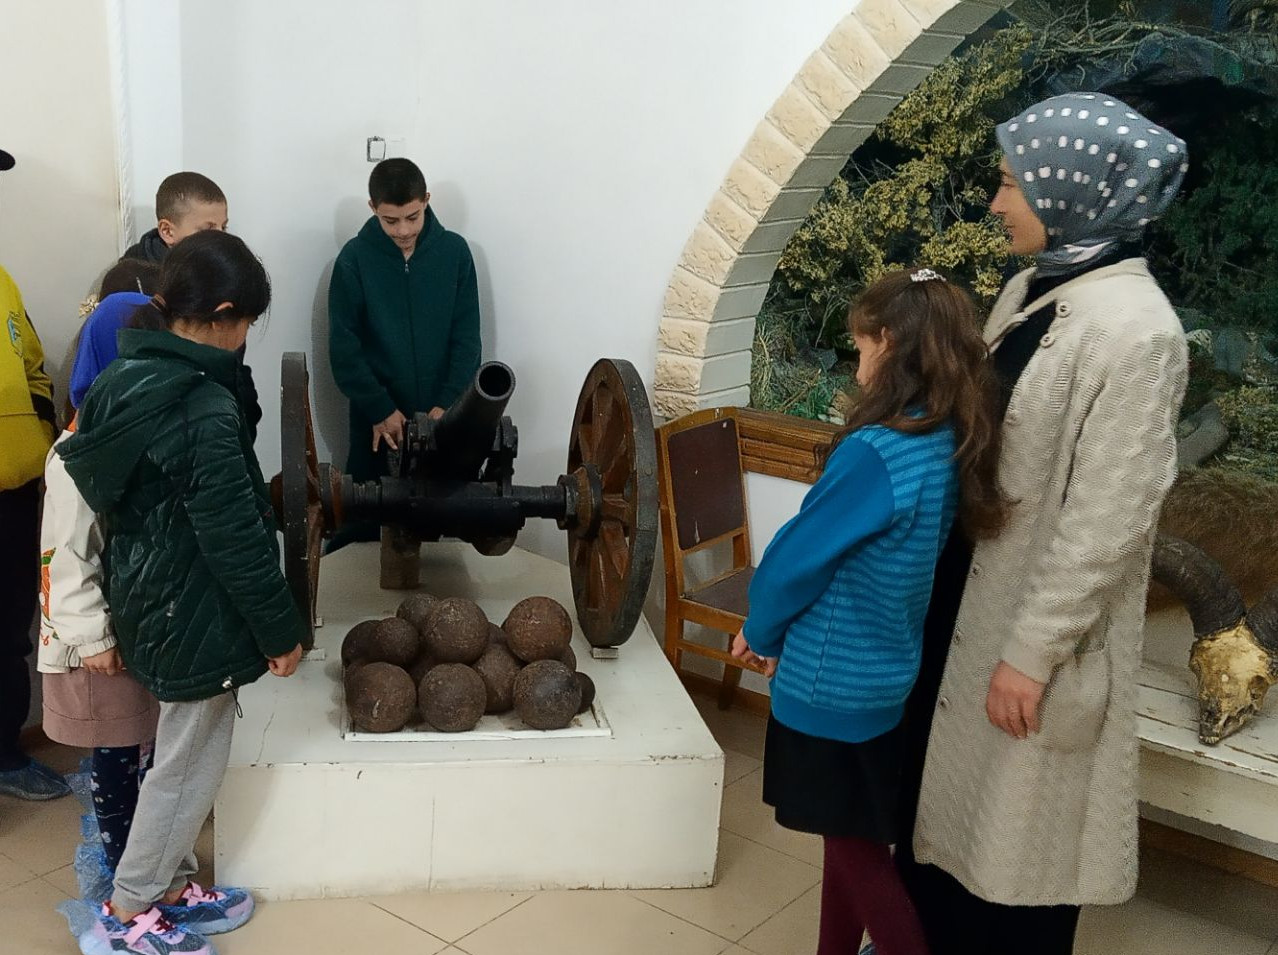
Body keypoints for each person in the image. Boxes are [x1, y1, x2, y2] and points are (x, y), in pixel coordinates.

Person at [895, 93, 1191, 955]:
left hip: (1030, 631)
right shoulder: (1037, 288)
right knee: (937, 821)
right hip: (961, 601)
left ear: (1069, 190)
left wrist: (1030, 654)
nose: (996, 203)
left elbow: (1109, 521)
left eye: (1010, 183)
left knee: (1012, 857)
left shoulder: (1139, 335)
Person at [731, 268, 1006, 955]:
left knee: (857, 854)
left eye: (860, 347)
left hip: (831, 683)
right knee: (848, 837)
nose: (857, 363)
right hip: (886, 679)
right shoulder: (946, 440)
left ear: (889, 342)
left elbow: (798, 556)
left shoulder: (875, 452)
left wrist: (759, 628)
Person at [60, 230, 308, 955]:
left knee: (179, 753)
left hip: (150, 596)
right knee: (186, 763)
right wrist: (279, 630)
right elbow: (235, 534)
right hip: (198, 608)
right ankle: (128, 909)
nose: (245, 340)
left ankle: (167, 885)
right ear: (224, 313)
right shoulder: (198, 408)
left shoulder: (122, 379)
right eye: (246, 325)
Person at [328, 157, 481, 499]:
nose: (403, 230)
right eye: (390, 220)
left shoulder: (455, 253)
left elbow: (467, 338)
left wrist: (448, 404)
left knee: (444, 517)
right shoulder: (353, 260)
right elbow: (344, 348)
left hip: (445, 415)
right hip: (378, 420)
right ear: (372, 208)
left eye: (413, 217)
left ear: (426, 200)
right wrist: (380, 408)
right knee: (367, 513)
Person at [0, 143, 71, 802]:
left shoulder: (4, 280)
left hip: (18, 493)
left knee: (10, 628)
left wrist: (49, 451)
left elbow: (35, 373)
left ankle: (7, 756)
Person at [121, 172, 228, 263]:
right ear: (167, 231)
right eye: (207, 230)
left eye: (223, 227)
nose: (222, 240)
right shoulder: (132, 277)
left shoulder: (226, 266)